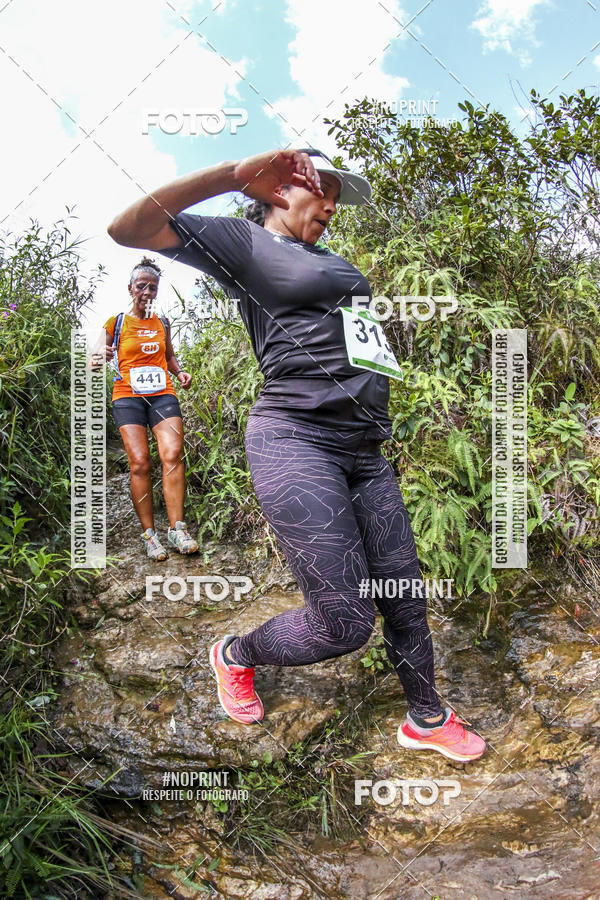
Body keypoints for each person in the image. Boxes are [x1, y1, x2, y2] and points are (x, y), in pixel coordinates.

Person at [106, 148, 486, 762]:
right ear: (280, 188)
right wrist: (232, 175)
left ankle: (426, 717)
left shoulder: (328, 258)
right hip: (296, 441)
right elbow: (129, 228)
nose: (333, 206)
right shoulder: (245, 244)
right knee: (345, 622)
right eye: (323, 190)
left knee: (405, 595)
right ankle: (236, 654)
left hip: (364, 450)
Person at [89, 257, 199, 560]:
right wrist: (100, 356)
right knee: (139, 463)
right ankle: (149, 535)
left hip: (162, 393)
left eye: (153, 287)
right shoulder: (116, 323)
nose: (148, 291)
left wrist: (179, 373)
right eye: (142, 286)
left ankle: (178, 528)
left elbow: (170, 356)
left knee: (173, 453)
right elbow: (94, 359)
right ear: (130, 288)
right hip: (127, 396)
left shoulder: (162, 323)